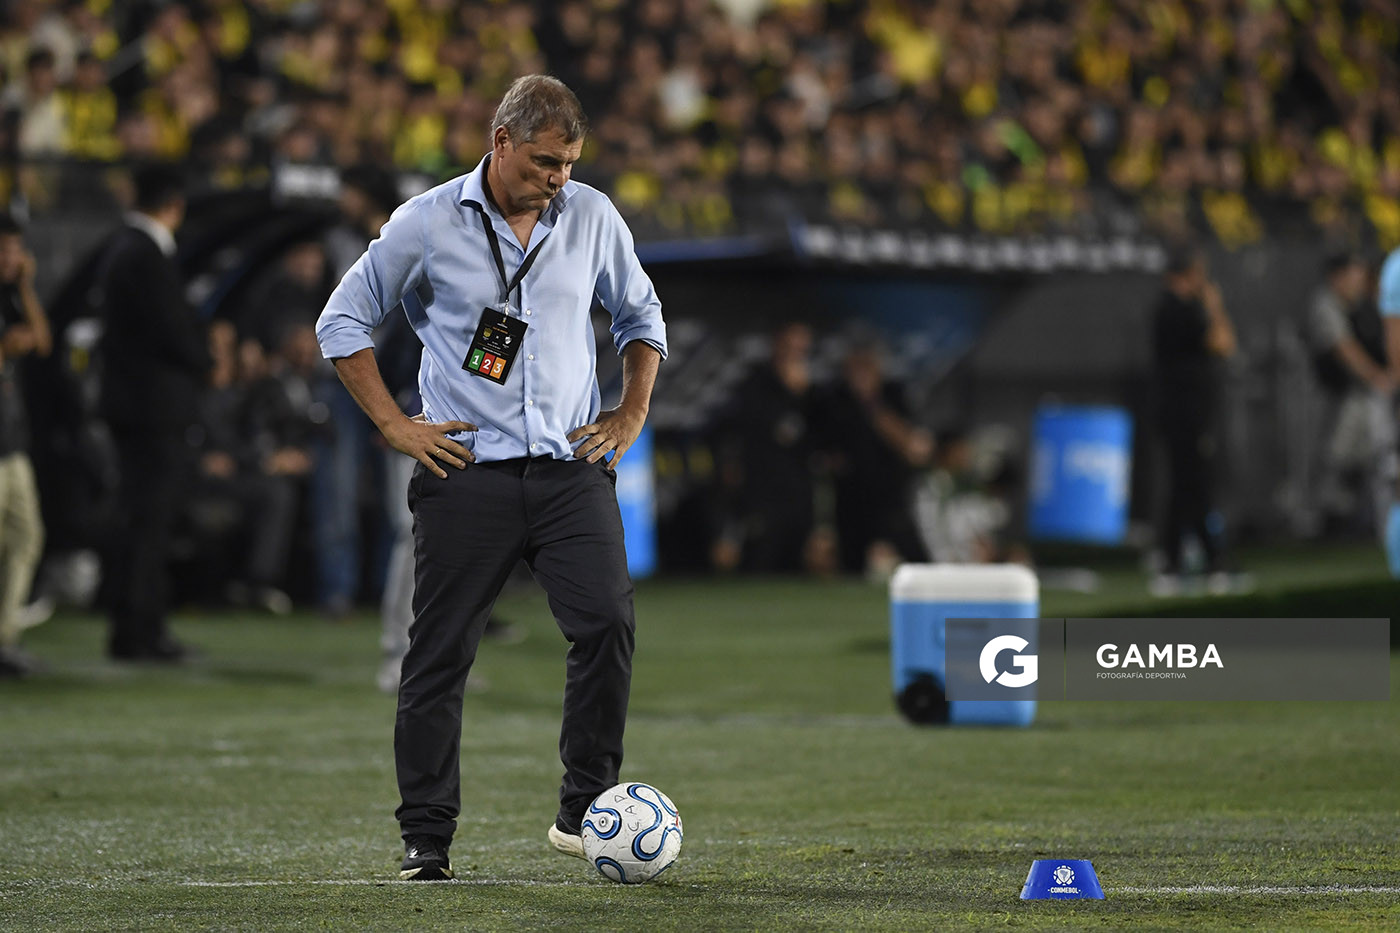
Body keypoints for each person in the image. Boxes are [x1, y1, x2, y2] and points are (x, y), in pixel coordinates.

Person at [315, 75, 666, 881]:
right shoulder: (428, 221)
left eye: (571, 163)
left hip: (571, 468)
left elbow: (643, 318)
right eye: (546, 161)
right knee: (437, 655)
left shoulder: (593, 217)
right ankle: (426, 838)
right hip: (466, 470)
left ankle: (586, 811)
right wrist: (395, 424)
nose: (559, 180)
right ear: (499, 141)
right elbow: (341, 320)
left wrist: (629, 413)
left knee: (607, 624)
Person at [98, 164, 211, 661]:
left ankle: (130, 625)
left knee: (137, 518)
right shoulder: (146, 255)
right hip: (152, 412)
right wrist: (206, 358)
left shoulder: (121, 249)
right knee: (150, 522)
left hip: (133, 408)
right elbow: (173, 334)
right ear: (174, 204)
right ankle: (141, 631)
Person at [1149, 245, 1240, 596]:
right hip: (1186, 413)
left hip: (1180, 413)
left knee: (1186, 486)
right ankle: (1202, 561)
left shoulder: (1166, 309)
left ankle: (1182, 560)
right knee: (1193, 486)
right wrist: (1215, 305)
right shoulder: (1181, 310)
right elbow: (1223, 342)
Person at [1304, 251, 1392, 533]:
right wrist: (1380, 378)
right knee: (1327, 458)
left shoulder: (1362, 305)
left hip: (1353, 395)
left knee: (1362, 456)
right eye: (1353, 274)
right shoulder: (1325, 304)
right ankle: (1314, 524)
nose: (1359, 281)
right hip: (1324, 395)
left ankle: (1349, 518)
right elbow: (1345, 350)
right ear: (1337, 276)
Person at [0, 215, 51, 677]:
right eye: (5, 249)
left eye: (16, 249)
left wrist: (26, 287)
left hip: (11, 444)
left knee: (25, 536)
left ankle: (5, 638)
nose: (12, 257)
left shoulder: (11, 297)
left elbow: (42, 341)